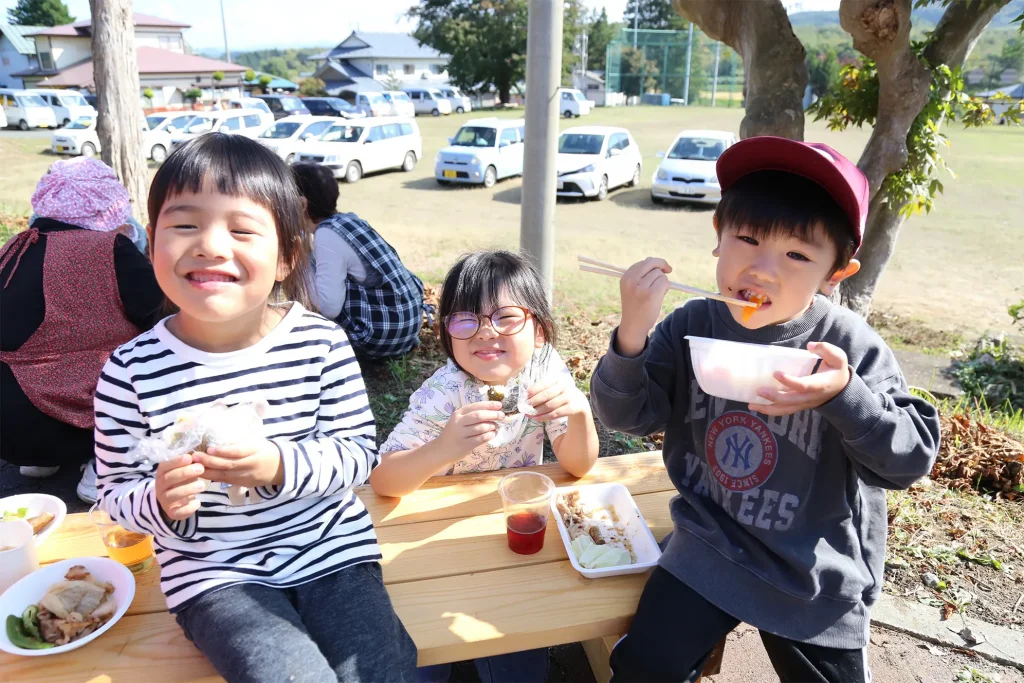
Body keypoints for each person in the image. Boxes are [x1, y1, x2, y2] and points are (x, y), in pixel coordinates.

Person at [590, 137, 941, 683]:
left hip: (813, 568)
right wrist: (632, 330)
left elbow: (909, 460)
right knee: (640, 667)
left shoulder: (847, 346)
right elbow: (628, 415)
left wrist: (843, 396)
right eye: (747, 239)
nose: (762, 270)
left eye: (798, 255)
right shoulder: (693, 325)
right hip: (710, 543)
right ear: (717, 237)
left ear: (836, 273)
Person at [94, 134, 417, 683]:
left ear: (288, 256)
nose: (211, 246)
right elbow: (114, 493)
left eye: (242, 229)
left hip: (330, 547)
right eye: (185, 224)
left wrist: (279, 465)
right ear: (152, 246)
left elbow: (359, 454)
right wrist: (158, 498)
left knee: (384, 670)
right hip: (213, 572)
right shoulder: (129, 371)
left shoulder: (322, 345)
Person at [371, 250, 600, 683]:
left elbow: (578, 465)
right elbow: (383, 480)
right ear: (446, 334)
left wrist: (579, 412)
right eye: (465, 320)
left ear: (539, 328)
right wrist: (441, 448)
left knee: (519, 662)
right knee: (422, 660)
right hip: (434, 538)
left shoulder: (544, 368)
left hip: (511, 527)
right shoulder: (445, 392)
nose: (485, 333)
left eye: (506, 317)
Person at [0, 157, 163, 503]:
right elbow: (158, 315)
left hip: (8, 426)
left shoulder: (15, 247)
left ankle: (43, 463)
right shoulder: (109, 249)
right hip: (70, 416)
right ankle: (103, 468)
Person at [291, 162, 424, 360]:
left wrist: (301, 258)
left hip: (379, 337)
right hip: (406, 327)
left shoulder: (327, 235)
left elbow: (328, 307)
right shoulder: (349, 222)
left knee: (305, 269)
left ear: (302, 204)